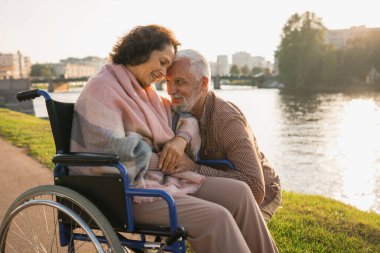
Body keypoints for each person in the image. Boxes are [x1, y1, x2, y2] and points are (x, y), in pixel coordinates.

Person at [70, 25, 278, 252]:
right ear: (141, 51)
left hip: (159, 179)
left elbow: (185, 118)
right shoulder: (101, 88)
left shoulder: (144, 93)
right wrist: (164, 160)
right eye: (162, 62)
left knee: (240, 193)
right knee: (216, 218)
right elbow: (110, 153)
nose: (162, 74)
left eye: (168, 67)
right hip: (125, 192)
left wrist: (181, 140)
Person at [164, 49, 282, 223]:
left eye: (179, 82)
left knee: (234, 233)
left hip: (262, 192)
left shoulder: (228, 121)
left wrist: (194, 169)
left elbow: (256, 188)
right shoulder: (176, 110)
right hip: (209, 188)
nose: (170, 90)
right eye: (168, 82)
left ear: (203, 84)